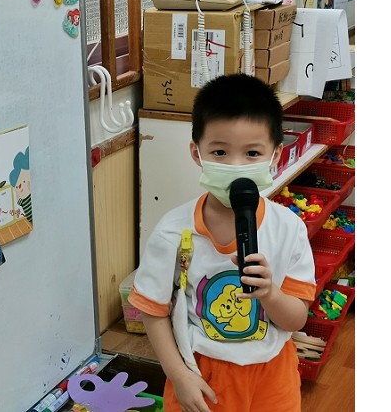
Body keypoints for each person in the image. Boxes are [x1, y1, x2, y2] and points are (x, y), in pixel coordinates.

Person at [128, 74, 316, 412]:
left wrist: (270, 293)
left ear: (275, 155)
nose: (235, 166)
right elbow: (152, 311)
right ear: (196, 153)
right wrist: (179, 375)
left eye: (252, 153)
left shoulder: (289, 229)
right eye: (220, 152)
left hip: (273, 375)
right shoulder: (173, 230)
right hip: (201, 372)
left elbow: (296, 320)